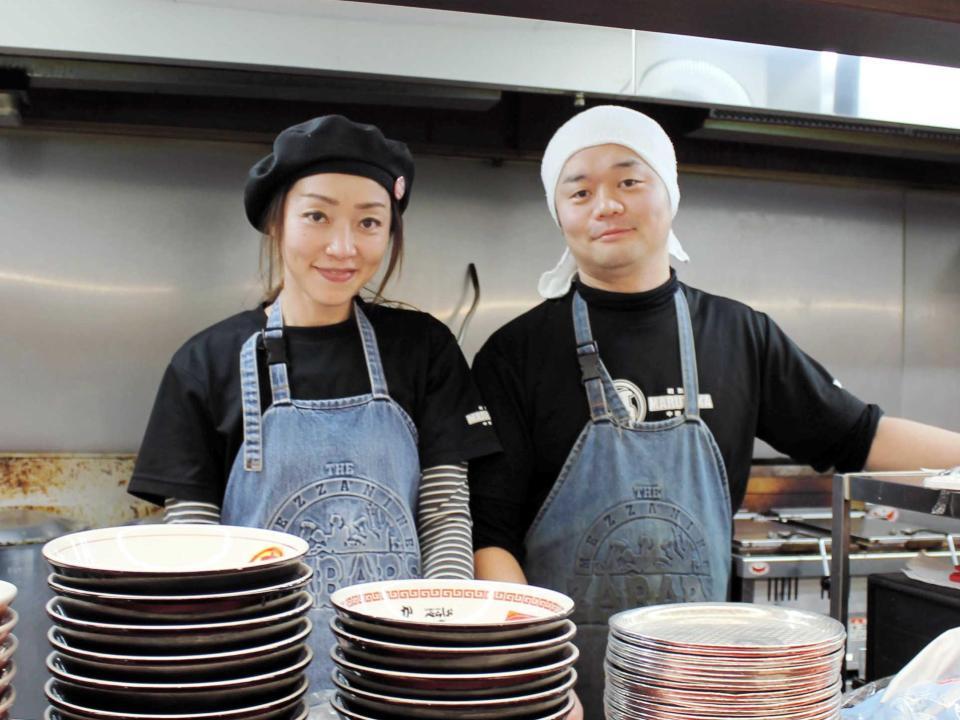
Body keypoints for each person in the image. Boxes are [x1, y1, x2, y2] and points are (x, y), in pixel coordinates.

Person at [468, 105, 960, 719]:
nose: (606, 204)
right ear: (559, 212)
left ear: (668, 193)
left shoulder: (738, 334)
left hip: (702, 685)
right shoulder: (515, 355)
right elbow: (490, 537)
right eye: (580, 190)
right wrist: (534, 676)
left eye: (628, 180)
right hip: (558, 690)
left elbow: (858, 434)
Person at [128, 115, 500, 693]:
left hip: (401, 675)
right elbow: (193, 541)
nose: (343, 246)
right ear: (277, 222)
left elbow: (445, 514)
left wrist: (440, 647)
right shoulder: (207, 361)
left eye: (369, 222)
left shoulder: (423, 348)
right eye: (317, 215)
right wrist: (224, 676)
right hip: (256, 677)